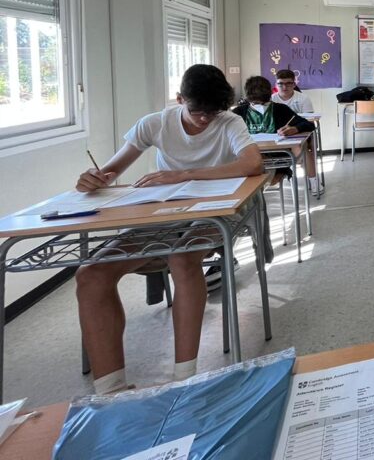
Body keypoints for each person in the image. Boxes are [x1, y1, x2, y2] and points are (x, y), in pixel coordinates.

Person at [74, 65, 264, 394]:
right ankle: (111, 391)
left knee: (182, 257)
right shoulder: (155, 123)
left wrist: (184, 174)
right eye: (197, 111)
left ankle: (184, 379)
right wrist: (94, 179)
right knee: (91, 273)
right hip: (166, 211)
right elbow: (111, 171)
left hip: (218, 211)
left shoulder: (229, 122)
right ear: (179, 100)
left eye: (212, 112)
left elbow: (252, 163)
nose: (205, 119)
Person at [235, 75, 318, 190]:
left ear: (269, 97)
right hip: (253, 154)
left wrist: (294, 129)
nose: (261, 107)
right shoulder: (239, 112)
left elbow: (308, 124)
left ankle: (314, 183)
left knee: (302, 149)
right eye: (256, 103)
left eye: (264, 104)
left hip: (279, 153)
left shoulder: (280, 109)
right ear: (249, 99)